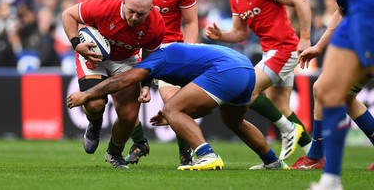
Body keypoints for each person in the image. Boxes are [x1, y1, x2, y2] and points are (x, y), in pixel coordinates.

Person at [66, 43, 290, 171]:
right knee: (233, 121)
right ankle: (272, 162)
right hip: (245, 68)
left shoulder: (157, 57)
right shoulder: (177, 52)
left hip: (226, 70)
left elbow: (123, 81)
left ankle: (207, 155)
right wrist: (175, 116)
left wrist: (86, 95)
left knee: (172, 108)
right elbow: (205, 108)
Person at [205, 0, 312, 160]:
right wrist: (221, 36)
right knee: (280, 104)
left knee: (246, 89)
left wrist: (306, 38)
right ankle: (315, 156)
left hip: (283, 49)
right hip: (271, 51)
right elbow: (240, 33)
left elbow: (302, 1)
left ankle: (288, 129)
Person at [104, 0, 199, 165]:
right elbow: (107, 0)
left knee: (172, 99)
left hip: (168, 47)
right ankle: (139, 142)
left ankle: (185, 152)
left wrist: (189, 53)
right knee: (126, 98)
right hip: (136, 45)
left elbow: (192, 22)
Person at [290, 0, 374, 171]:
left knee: (326, 88)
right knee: (332, 90)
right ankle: (317, 156)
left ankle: (317, 157)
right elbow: (342, 11)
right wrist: (318, 46)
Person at [61, 0, 165, 169]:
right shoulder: (104, 6)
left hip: (126, 59)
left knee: (129, 115)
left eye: (140, 14)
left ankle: (114, 153)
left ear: (151, 10)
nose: (134, 18)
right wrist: (77, 44)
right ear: (124, 2)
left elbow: (150, 59)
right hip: (93, 53)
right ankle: (95, 123)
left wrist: (147, 85)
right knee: (95, 104)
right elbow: (68, 15)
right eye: (131, 11)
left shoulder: (156, 25)